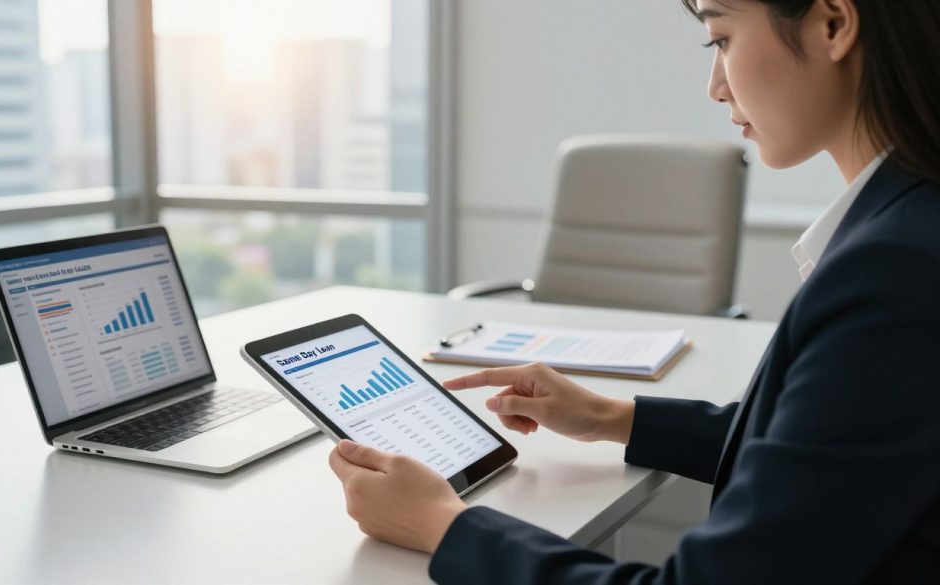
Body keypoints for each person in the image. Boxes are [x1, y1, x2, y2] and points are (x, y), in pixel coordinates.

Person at [328, 0, 940, 582]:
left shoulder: (893, 271)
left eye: (721, 38)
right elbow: (824, 453)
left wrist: (443, 526)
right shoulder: (905, 228)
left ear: (833, 24)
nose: (715, 85)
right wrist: (611, 416)